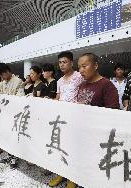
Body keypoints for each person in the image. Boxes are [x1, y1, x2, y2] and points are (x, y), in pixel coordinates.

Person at [49, 51, 84, 188]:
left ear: (71, 62)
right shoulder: (59, 81)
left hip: (76, 118)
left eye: (64, 62)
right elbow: (58, 98)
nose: (62, 65)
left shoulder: (79, 76)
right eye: (60, 62)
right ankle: (62, 173)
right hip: (61, 118)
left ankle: (73, 177)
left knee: (73, 147)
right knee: (61, 146)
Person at [0, 63, 25, 169]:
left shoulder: (18, 81)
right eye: (0, 76)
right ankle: (9, 155)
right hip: (5, 114)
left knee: (13, 137)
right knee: (6, 136)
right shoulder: (3, 83)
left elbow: (20, 99)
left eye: (2, 75)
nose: (2, 77)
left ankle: (14, 158)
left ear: (7, 71)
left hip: (15, 114)